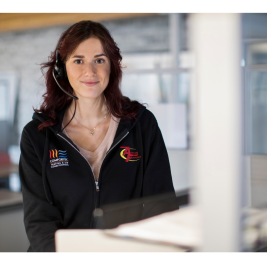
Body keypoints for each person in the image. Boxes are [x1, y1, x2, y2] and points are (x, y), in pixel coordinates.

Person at [19, 21, 178, 252]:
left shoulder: (141, 125)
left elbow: (162, 206)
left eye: (99, 60)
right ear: (61, 68)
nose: (90, 72)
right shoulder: (38, 135)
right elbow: (39, 222)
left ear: (112, 67)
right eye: (78, 60)